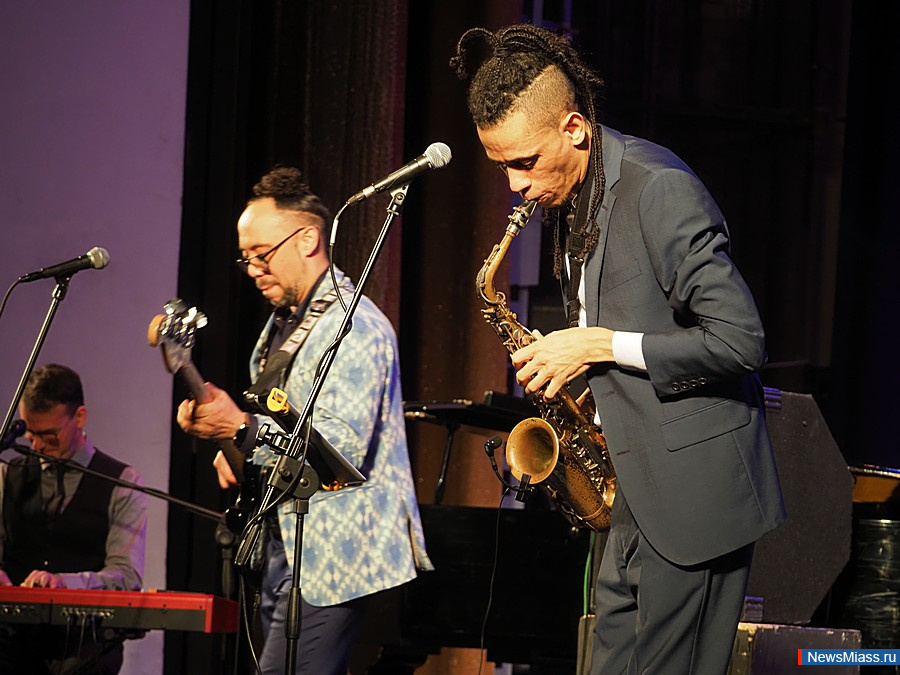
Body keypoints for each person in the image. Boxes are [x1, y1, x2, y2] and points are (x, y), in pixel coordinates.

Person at [452, 24, 786, 675]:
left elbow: (740, 340)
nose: (514, 185)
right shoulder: (573, 201)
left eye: (524, 162)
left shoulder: (658, 188)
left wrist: (599, 344)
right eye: (501, 167)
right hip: (627, 492)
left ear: (574, 127)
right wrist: (566, 362)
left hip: (691, 498)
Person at [176, 167, 432, 675]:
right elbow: (280, 428)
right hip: (285, 547)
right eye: (246, 257)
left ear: (309, 239)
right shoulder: (284, 324)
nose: (253, 268)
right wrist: (238, 448)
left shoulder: (354, 325)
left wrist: (240, 429)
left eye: (262, 253)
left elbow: (340, 450)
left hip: (336, 556)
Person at [0, 363, 147, 674]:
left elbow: (126, 576)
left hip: (83, 643)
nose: (37, 445)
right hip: (11, 640)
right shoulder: (6, 476)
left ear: (79, 417)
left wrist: (63, 583)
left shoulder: (122, 482)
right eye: (30, 433)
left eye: (49, 435)